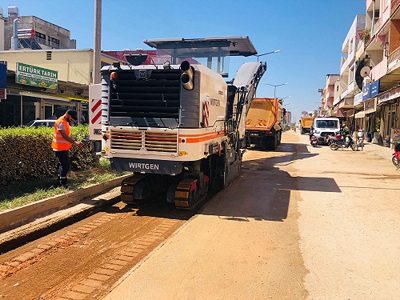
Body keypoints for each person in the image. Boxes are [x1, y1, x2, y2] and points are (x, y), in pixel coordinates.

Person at [52, 109, 83, 187]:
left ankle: (60, 181)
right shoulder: (61, 122)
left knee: (63, 165)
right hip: (59, 148)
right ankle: (63, 183)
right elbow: (64, 136)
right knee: (65, 166)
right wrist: (75, 142)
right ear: (67, 115)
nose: (72, 120)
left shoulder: (65, 122)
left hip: (62, 147)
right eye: (71, 118)